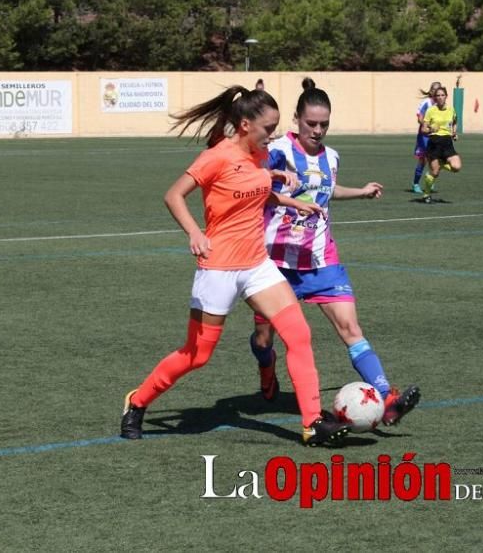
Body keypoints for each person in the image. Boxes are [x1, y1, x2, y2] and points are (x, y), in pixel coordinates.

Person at [120, 86, 350, 447]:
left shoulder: (259, 155)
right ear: (244, 124)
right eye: (266, 127)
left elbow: (252, 191)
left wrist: (288, 198)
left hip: (257, 266)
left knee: (298, 335)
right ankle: (137, 402)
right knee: (196, 355)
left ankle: (312, 423)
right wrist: (195, 233)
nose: (271, 134)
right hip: (219, 269)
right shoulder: (217, 157)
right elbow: (173, 195)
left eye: (275, 127)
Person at [250, 78, 421, 426]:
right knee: (264, 338)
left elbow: (325, 191)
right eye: (311, 123)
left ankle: (387, 399)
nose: (317, 130)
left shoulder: (331, 156)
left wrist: (360, 191)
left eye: (324, 124)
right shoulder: (278, 150)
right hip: (274, 263)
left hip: (321, 260)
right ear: (296, 119)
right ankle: (266, 368)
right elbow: (253, 183)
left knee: (350, 328)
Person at [419, 85, 461, 204]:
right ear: (435, 98)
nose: (440, 97)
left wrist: (454, 133)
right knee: (435, 173)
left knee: (456, 167)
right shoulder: (431, 110)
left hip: (447, 143)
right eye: (438, 95)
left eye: (442, 95)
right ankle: (426, 195)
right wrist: (431, 129)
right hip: (434, 143)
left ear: (446, 96)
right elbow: (423, 129)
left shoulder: (451, 109)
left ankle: (441, 165)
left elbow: (454, 122)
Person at [412, 81, 442, 194]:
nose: (436, 91)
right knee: (423, 160)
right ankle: (415, 184)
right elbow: (419, 119)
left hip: (436, 136)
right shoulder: (426, 103)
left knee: (435, 160)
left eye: (438, 89)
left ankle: (430, 180)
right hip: (424, 136)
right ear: (431, 91)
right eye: (434, 89)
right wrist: (430, 125)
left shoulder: (441, 105)